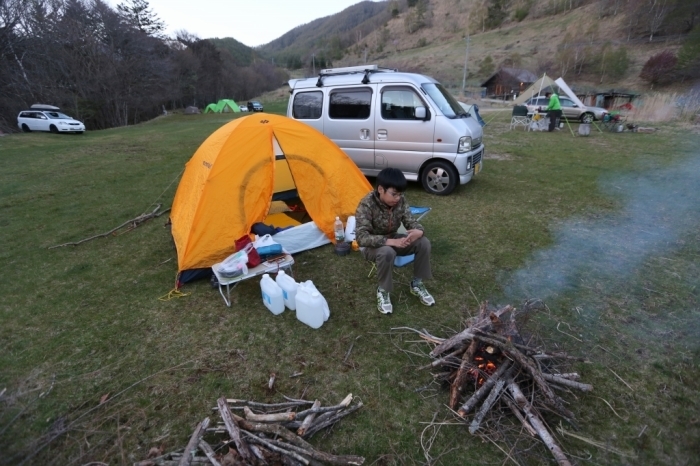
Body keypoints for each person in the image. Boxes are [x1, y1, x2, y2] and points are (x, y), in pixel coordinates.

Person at [355, 168, 435, 315]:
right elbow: (361, 238)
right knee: (387, 252)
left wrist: (419, 231)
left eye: (400, 194)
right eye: (394, 194)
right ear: (380, 189)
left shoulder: (400, 201)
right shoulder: (366, 204)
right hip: (372, 246)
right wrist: (389, 241)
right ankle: (383, 290)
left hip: (394, 239)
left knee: (424, 243)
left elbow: (411, 222)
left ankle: (417, 284)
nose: (398, 198)